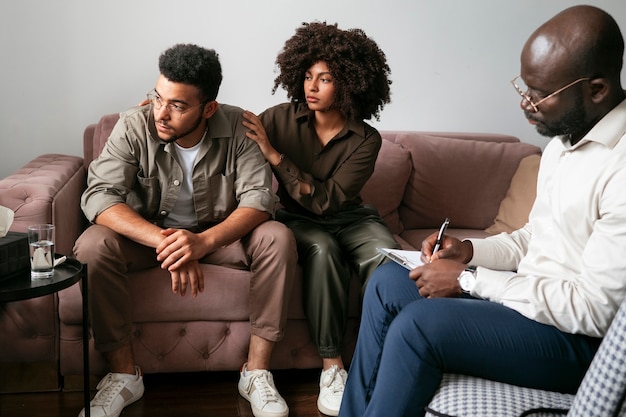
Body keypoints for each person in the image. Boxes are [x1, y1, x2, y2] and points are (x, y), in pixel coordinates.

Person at [339, 5, 626, 417]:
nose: (526, 103)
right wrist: (469, 252)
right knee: (386, 282)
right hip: (530, 305)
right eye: (523, 87)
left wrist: (471, 281)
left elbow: (594, 311)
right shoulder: (565, 143)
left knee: (419, 327)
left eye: (540, 93)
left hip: (578, 343)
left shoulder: (620, 165)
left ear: (596, 90)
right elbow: (534, 238)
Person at [74, 44, 297, 417]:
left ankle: (256, 373)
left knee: (279, 237)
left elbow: (259, 200)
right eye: (158, 97)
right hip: (150, 236)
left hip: (220, 236)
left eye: (177, 105)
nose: (161, 113)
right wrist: (169, 244)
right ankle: (124, 375)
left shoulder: (239, 128)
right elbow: (98, 196)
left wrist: (204, 241)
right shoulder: (133, 124)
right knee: (93, 245)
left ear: (208, 108)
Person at [242, 22, 400, 416]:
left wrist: (276, 157)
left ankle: (383, 359)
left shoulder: (366, 139)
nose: (312, 87)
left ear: (348, 84)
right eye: (308, 76)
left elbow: (329, 200)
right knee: (324, 250)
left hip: (349, 216)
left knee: (389, 257)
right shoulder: (277, 119)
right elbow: (226, 130)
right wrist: (163, 108)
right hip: (298, 220)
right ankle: (332, 367)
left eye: (325, 78)